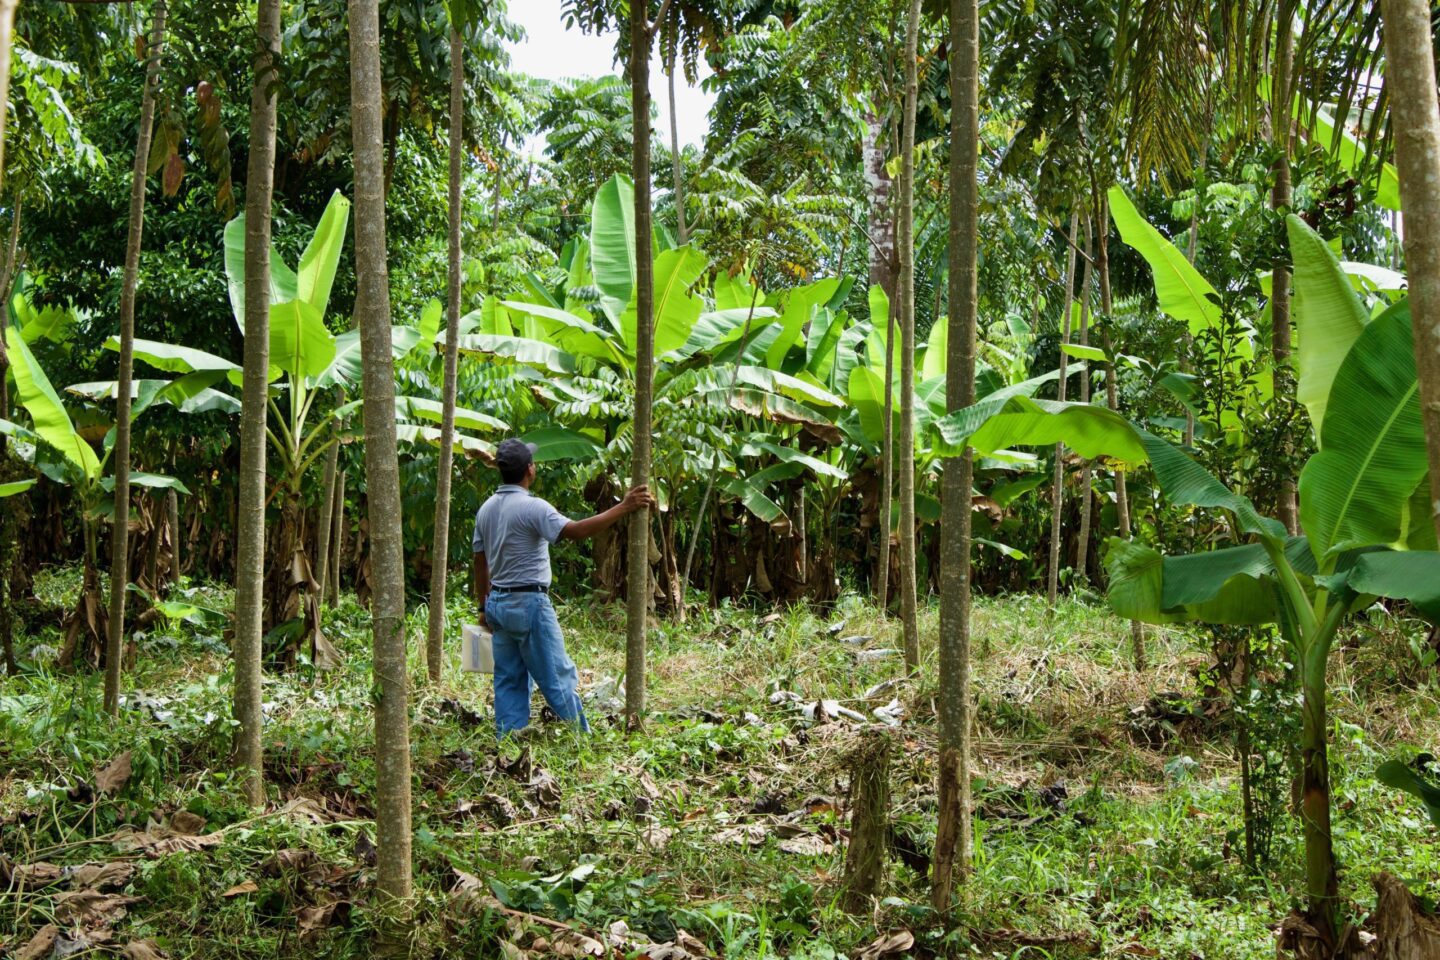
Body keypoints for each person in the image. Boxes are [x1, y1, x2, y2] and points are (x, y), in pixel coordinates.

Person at [473, 438, 654, 736]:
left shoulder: (486, 510)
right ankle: (581, 740)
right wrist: (624, 507)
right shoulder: (533, 508)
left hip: (498, 604)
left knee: (508, 678)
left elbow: (480, 561)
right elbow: (576, 531)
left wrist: (483, 605)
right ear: (529, 470)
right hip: (529, 603)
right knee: (558, 677)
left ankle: (507, 740)